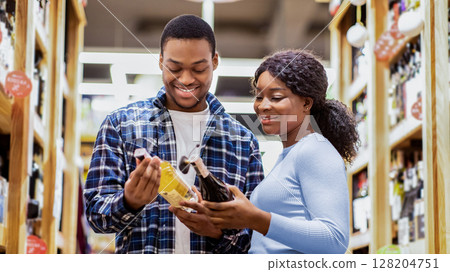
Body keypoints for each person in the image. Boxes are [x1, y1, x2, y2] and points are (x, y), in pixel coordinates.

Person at [84, 14, 264, 254]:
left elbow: (257, 239)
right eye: (174, 68)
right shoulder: (120, 125)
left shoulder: (243, 142)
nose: (186, 79)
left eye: (199, 69)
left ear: (215, 61)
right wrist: (129, 201)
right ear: (160, 61)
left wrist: (216, 232)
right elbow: (96, 217)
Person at [183, 50, 359, 254]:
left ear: (306, 103)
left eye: (276, 97)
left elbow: (335, 239)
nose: (263, 106)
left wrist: (255, 218)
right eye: (259, 96)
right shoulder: (289, 155)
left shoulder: (314, 149)